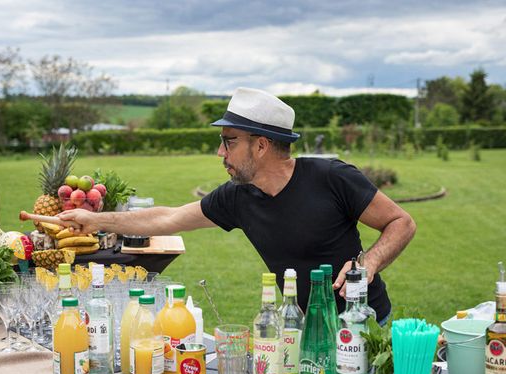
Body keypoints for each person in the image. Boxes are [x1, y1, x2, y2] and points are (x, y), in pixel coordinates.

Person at [58, 87, 416, 322]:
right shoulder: (238, 197)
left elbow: (401, 222)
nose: (220, 152)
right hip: (308, 327)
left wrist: (367, 264)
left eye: (228, 141)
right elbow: (169, 217)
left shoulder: (330, 177)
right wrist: (96, 220)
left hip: (365, 320)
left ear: (261, 145)